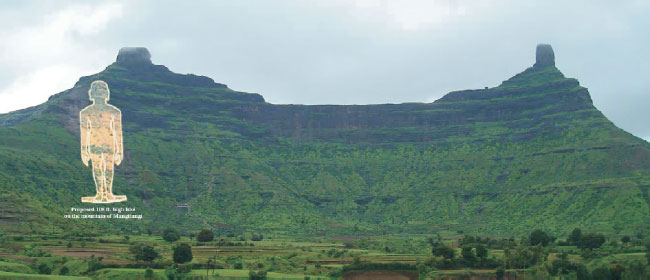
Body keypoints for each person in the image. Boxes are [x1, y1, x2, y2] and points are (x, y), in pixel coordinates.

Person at [80, 80, 127, 203]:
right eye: (98, 90)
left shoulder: (114, 112)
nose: (100, 93)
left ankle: (108, 193)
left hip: (108, 141)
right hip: (94, 142)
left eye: (102, 90)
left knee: (108, 167)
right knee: (97, 167)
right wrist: (84, 150)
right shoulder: (85, 113)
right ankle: (101, 192)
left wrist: (120, 150)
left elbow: (118, 131)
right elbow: (84, 131)